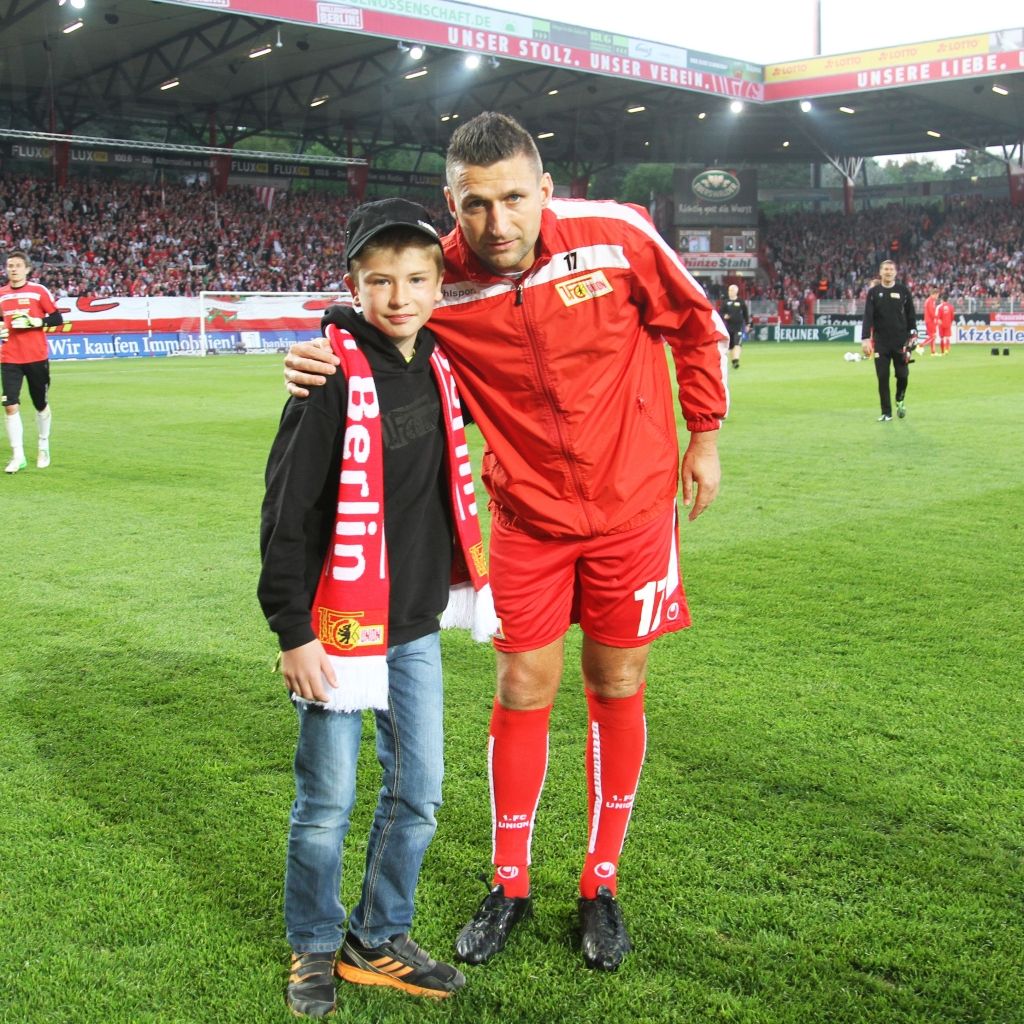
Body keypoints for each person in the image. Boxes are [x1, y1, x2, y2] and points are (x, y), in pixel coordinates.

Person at [284, 112, 729, 973]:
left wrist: (703, 434)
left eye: (515, 198)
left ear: (546, 190)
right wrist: (321, 348)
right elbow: (377, 310)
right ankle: (510, 881)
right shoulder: (440, 280)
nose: (498, 223)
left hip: (633, 511)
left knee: (618, 677)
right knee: (523, 683)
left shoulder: (616, 237)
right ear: (454, 203)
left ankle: (600, 882)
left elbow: (695, 321)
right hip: (526, 519)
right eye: (476, 204)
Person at [259, 199, 497, 1017]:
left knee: (420, 788)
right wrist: (292, 632)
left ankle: (379, 934)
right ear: (354, 286)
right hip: (338, 628)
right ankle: (315, 945)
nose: (399, 295)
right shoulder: (327, 376)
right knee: (326, 801)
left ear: (438, 286)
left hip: (415, 623)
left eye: (416, 279)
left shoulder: (442, 363)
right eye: (380, 281)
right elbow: (285, 513)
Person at [1, 251, 63, 473]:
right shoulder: (2, 294)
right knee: (10, 405)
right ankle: (18, 455)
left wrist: (36, 321)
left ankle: (43, 444)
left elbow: (57, 319)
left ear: (27, 269)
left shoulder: (38, 291)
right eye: (10, 265)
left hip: (36, 357)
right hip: (9, 358)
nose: (13, 269)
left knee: (40, 403)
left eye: (18, 265)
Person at [860, 259, 917, 422]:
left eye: (891, 269)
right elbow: (868, 317)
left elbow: (911, 315)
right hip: (881, 342)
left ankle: (900, 398)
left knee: (903, 375)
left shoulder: (903, 291)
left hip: (901, 342)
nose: (888, 272)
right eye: (885, 269)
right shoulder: (873, 292)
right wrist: (865, 339)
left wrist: (913, 335)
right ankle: (886, 412)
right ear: (880, 272)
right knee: (882, 377)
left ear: (895, 272)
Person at [720, 283, 749, 369]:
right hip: (729, 327)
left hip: (738, 327)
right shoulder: (725, 302)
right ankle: (730, 361)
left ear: (736, 291)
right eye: (729, 290)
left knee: (737, 343)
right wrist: (724, 316)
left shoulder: (740, 302)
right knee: (730, 346)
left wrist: (748, 324)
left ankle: (736, 361)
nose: (730, 292)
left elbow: (745, 313)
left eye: (732, 290)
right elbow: (720, 313)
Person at [922, 286, 939, 356]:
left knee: (933, 336)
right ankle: (920, 346)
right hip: (930, 321)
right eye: (937, 295)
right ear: (934, 294)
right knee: (933, 336)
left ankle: (933, 352)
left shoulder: (930, 301)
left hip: (929, 320)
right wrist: (937, 318)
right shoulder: (930, 301)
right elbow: (931, 312)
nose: (937, 296)